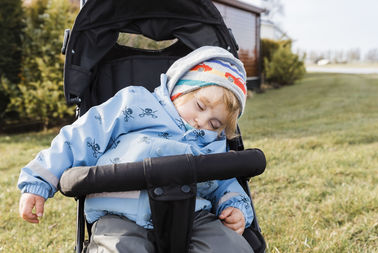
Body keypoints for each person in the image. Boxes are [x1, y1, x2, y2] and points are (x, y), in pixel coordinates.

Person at [18, 46, 254, 252]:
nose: (202, 122)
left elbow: (226, 181)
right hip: (120, 211)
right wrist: (39, 181)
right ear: (178, 89)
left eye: (215, 124)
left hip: (191, 215)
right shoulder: (135, 104)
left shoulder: (212, 143)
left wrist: (236, 207)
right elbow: (81, 137)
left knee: (228, 246)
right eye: (200, 106)